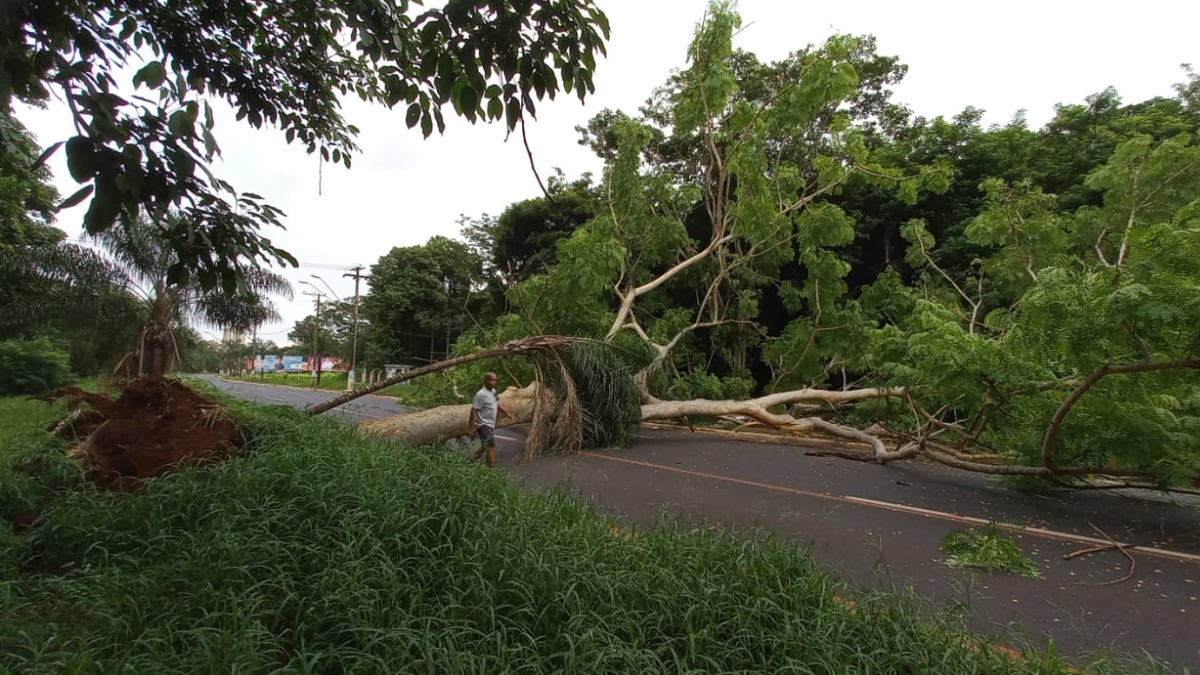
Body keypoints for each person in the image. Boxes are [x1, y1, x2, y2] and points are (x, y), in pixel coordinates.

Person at [468, 371, 509, 467]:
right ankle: (490, 470)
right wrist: (471, 428)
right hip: (483, 425)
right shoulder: (481, 394)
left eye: (495, 380)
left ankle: (470, 462)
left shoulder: (493, 392)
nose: (494, 382)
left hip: (490, 424)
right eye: (491, 380)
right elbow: (473, 410)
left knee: (484, 447)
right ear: (486, 380)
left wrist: (506, 412)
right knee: (491, 446)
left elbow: (497, 403)